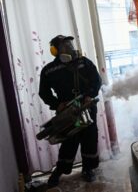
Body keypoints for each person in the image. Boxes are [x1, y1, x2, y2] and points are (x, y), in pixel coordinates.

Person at [38, 35, 102, 187]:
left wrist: (89, 96)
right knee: (69, 141)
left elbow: (96, 81)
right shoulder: (48, 70)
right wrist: (57, 104)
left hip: (87, 107)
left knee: (90, 138)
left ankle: (88, 169)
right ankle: (59, 171)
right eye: (64, 45)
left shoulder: (84, 62)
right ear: (55, 50)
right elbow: (44, 93)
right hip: (66, 111)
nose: (69, 47)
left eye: (70, 43)